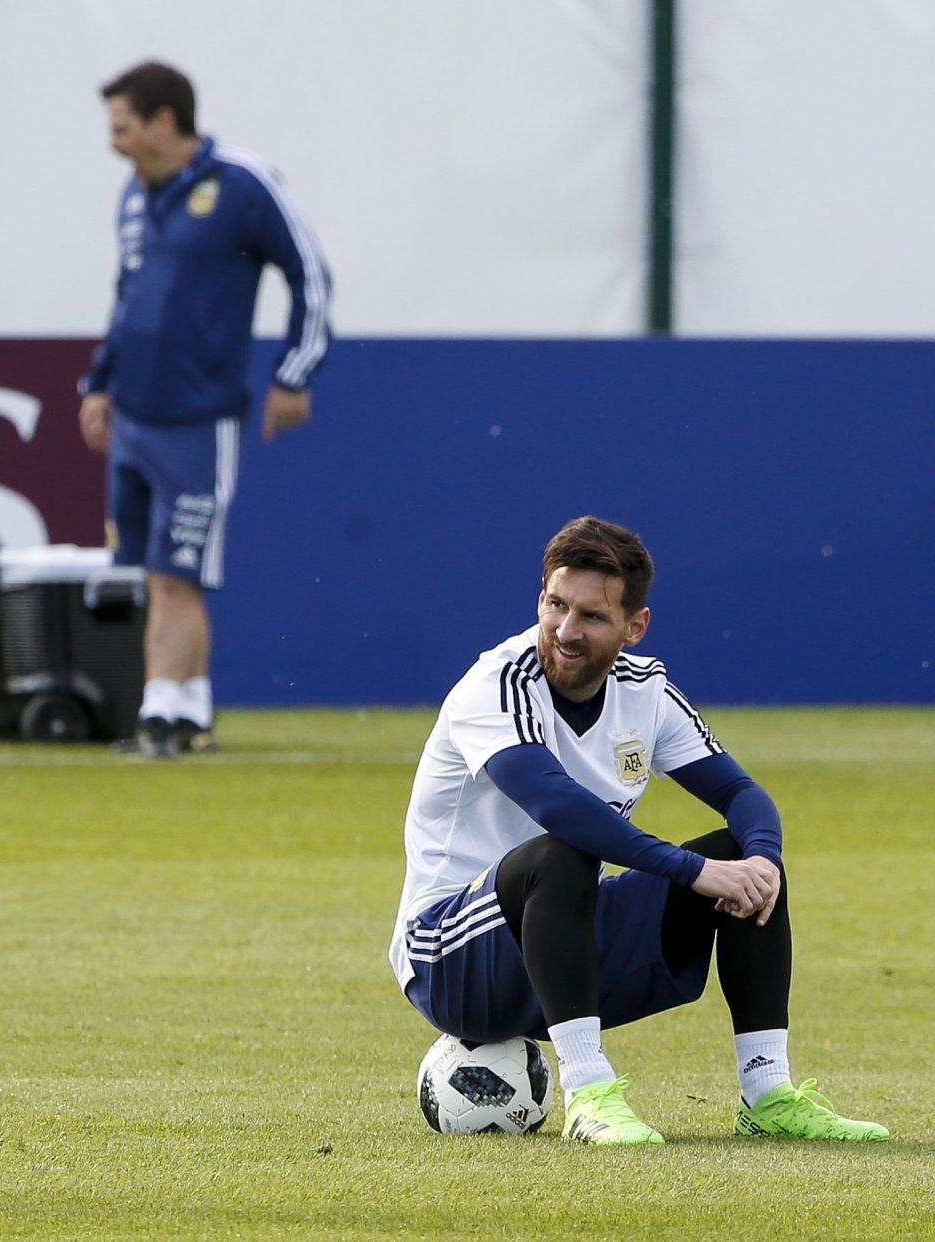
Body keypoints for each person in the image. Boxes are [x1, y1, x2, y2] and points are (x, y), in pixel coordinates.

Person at [390, 516, 889, 1145]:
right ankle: (590, 1095)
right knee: (567, 851)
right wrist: (694, 872)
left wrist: (760, 862)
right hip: (449, 956)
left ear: (635, 626)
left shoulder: (646, 691)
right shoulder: (496, 684)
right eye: (555, 605)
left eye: (592, 617)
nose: (567, 632)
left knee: (740, 852)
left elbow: (742, 794)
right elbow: (559, 806)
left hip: (560, 936)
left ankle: (768, 1093)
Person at [78, 60, 331, 759]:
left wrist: (295, 371)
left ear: (165, 121)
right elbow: (126, 298)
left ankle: (156, 714)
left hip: (199, 417)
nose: (113, 143)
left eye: (122, 127)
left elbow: (309, 270)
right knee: (149, 569)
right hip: (133, 412)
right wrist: (98, 383)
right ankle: (190, 711)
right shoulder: (134, 196)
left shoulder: (241, 183)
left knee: (175, 572)